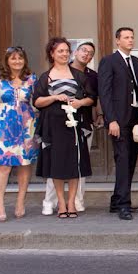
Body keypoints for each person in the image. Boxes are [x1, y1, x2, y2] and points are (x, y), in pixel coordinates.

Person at [33, 38, 96, 219]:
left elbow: (91, 98)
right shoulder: (46, 76)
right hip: (53, 126)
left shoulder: (78, 75)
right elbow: (36, 101)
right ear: (52, 54)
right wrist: (54, 97)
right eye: (60, 51)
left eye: (66, 50)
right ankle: (60, 202)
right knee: (57, 165)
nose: (64, 54)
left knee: (75, 164)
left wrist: (79, 102)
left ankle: (71, 202)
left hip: (75, 125)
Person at [98, 27, 138, 220]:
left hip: (135, 117)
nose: (130, 40)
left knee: (130, 159)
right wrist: (112, 120)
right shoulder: (109, 61)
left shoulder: (137, 62)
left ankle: (117, 200)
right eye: (126, 37)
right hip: (118, 119)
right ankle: (124, 205)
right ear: (117, 40)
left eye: (132, 37)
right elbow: (105, 93)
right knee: (123, 159)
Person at [0, 47, 38, 221]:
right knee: (3, 166)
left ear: (24, 60)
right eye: (13, 58)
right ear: (7, 61)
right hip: (3, 127)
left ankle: (20, 202)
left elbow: (37, 102)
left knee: (25, 164)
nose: (17, 61)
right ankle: (0, 203)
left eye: (20, 58)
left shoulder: (32, 79)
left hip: (27, 127)